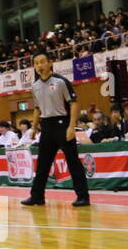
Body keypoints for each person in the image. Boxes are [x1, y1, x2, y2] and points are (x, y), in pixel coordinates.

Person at [23, 50, 90, 207]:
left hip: (63, 124)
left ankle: (83, 197)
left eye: (42, 62)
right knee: (42, 164)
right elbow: (37, 108)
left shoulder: (61, 81)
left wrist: (71, 127)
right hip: (46, 126)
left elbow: (74, 103)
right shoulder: (35, 86)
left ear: (49, 63)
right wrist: (33, 128)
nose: (39, 65)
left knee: (73, 161)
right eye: (36, 63)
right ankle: (37, 197)